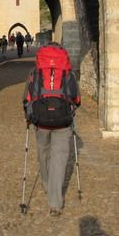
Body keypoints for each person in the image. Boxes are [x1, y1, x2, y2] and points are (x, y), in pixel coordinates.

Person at [22, 43, 80, 217]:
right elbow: (76, 99)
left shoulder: (35, 73)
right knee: (59, 159)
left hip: (41, 121)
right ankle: (55, 203)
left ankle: (46, 183)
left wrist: (27, 113)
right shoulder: (68, 74)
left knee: (43, 152)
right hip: (62, 122)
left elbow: (27, 97)